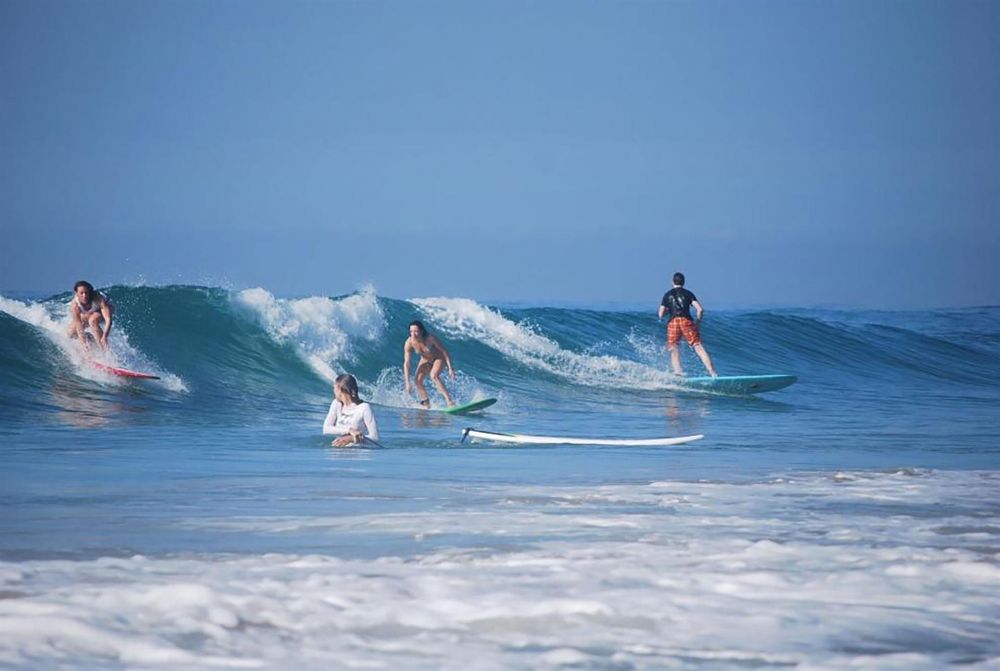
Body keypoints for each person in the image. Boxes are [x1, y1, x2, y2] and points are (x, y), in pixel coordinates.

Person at [658, 272, 718, 377]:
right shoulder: (689, 294)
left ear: (672, 282)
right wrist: (698, 323)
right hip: (686, 321)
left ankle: (678, 373)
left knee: (674, 347)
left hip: (673, 322)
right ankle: (713, 373)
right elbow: (700, 309)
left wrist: (670, 310)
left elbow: (660, 314)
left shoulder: (667, 295)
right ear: (683, 282)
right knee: (697, 346)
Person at [403, 320, 455, 407]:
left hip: (438, 358)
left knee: (433, 375)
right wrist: (407, 382)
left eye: (416, 331)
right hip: (425, 360)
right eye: (411, 331)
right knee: (417, 380)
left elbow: (444, 351)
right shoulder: (409, 343)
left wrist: (450, 368)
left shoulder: (430, 338)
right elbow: (406, 363)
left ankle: (449, 401)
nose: (413, 334)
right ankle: (426, 403)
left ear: (421, 331)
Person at [322, 374, 380, 447]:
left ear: (340, 390)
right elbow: (326, 429)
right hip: (337, 454)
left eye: (334, 388)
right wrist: (349, 431)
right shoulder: (336, 404)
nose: (333, 391)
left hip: (357, 452)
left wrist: (352, 438)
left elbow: (375, 438)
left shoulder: (364, 408)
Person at [66, 280, 114, 352]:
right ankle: (92, 340)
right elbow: (79, 329)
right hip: (89, 312)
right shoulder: (74, 306)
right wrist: (85, 348)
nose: (84, 295)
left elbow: (108, 320)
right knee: (71, 332)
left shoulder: (98, 298)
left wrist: (105, 336)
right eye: (81, 293)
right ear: (76, 293)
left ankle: (104, 351)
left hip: (107, 307)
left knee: (92, 321)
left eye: (86, 293)